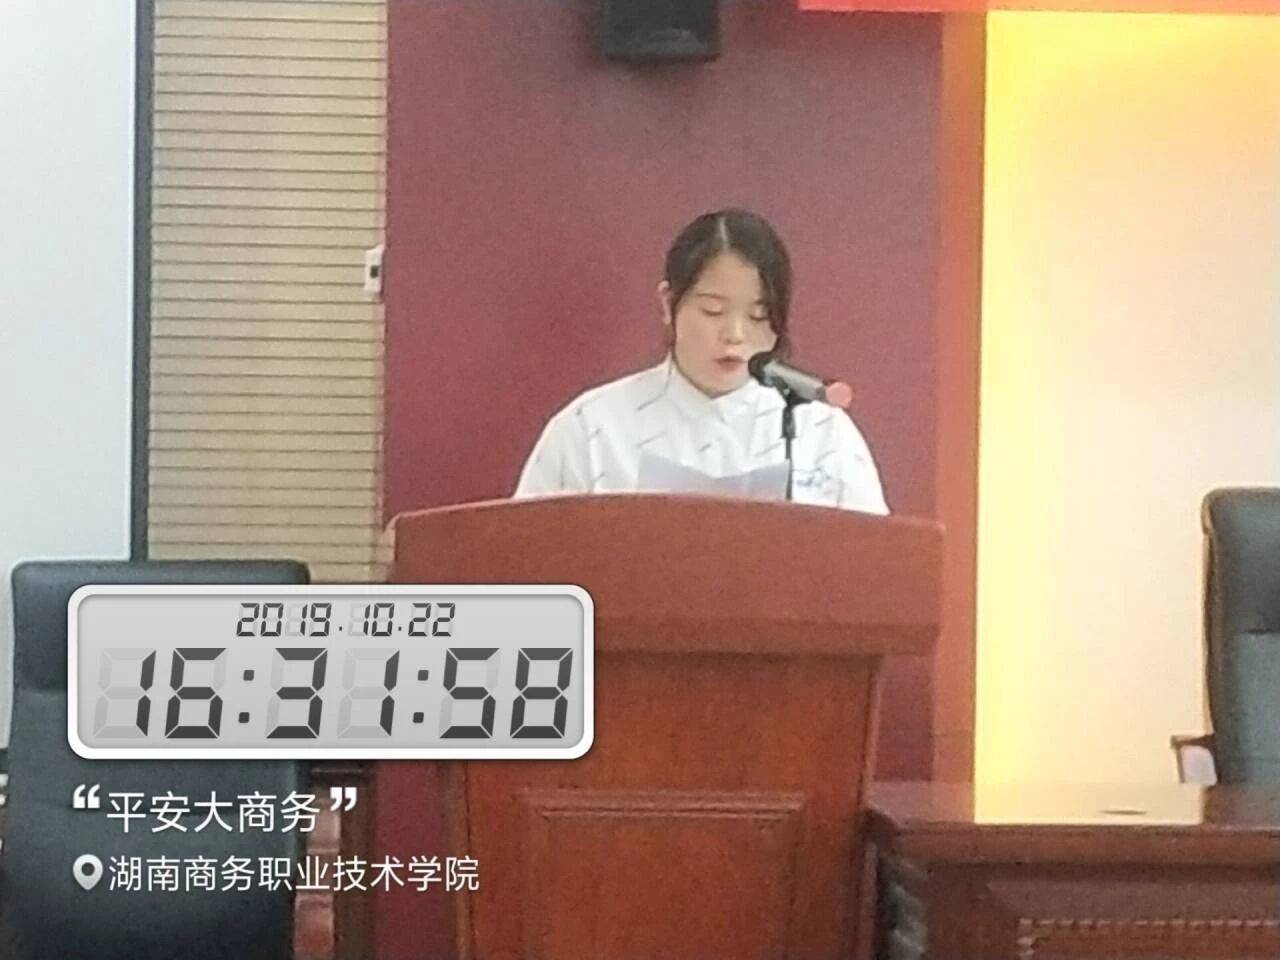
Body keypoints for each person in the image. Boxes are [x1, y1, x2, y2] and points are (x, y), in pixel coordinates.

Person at [513, 208, 889, 514]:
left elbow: (874, 567)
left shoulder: (822, 431)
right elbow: (526, 563)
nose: (735, 335)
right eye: (713, 311)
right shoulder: (590, 427)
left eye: (758, 316)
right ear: (668, 304)